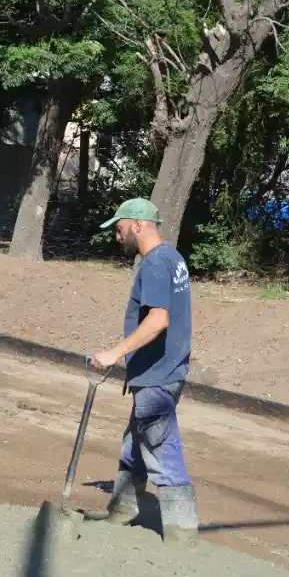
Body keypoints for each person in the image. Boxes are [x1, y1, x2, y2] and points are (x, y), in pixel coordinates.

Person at [92, 198, 198, 545]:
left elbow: (158, 320)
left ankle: (183, 534)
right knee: (135, 444)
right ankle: (122, 510)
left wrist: (114, 353)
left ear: (137, 225)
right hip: (166, 369)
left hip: (157, 375)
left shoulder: (154, 264)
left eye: (119, 228)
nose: (117, 236)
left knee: (161, 449)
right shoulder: (173, 258)